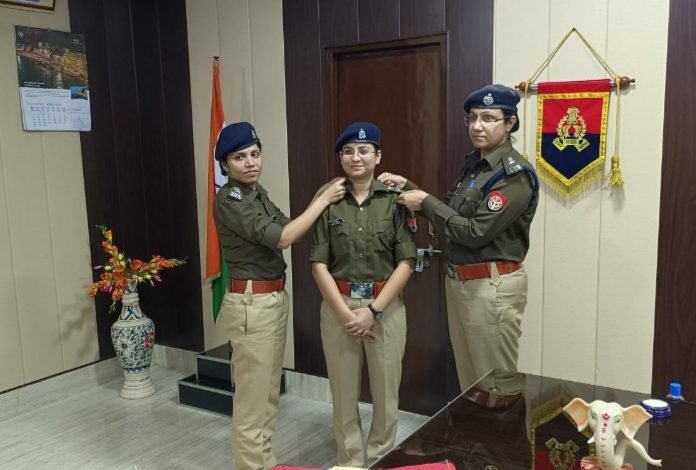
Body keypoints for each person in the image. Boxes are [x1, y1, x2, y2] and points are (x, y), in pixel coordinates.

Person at [378, 84, 539, 408]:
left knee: (497, 386)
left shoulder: (513, 175)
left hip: (491, 287)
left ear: (510, 123)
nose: (477, 126)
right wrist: (409, 188)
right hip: (463, 284)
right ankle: (477, 441)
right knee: (473, 385)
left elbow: (474, 232)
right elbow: (453, 214)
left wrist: (424, 201)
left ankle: (502, 442)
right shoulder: (475, 166)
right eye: (473, 118)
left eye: (489, 118)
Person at [213, 121, 346, 470]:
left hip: (271, 299)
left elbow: (290, 228)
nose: (250, 162)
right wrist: (323, 200)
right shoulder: (231, 199)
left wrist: (320, 196)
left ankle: (265, 463)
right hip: (251, 304)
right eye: (240, 157)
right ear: (225, 164)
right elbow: (284, 238)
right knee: (252, 402)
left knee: (269, 394)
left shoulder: (256, 193)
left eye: (255, 154)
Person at [310, 122, 416, 467]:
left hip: (385, 308)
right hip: (338, 307)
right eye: (348, 151)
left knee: (386, 395)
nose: (356, 157)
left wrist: (373, 311)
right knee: (343, 394)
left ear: (378, 156)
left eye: (364, 150)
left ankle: (380, 458)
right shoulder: (328, 201)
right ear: (341, 157)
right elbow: (318, 265)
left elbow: (407, 262)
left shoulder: (395, 201)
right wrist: (346, 315)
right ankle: (350, 461)